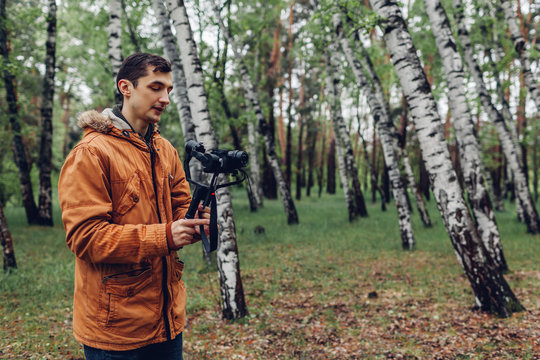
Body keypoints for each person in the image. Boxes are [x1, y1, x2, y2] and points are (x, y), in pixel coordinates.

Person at [58, 52, 209, 359]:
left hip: (167, 321)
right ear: (125, 87)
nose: (165, 98)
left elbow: (179, 206)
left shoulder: (165, 149)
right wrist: (166, 236)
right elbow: (86, 237)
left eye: (169, 90)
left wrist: (193, 220)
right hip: (115, 329)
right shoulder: (92, 153)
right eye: (156, 87)